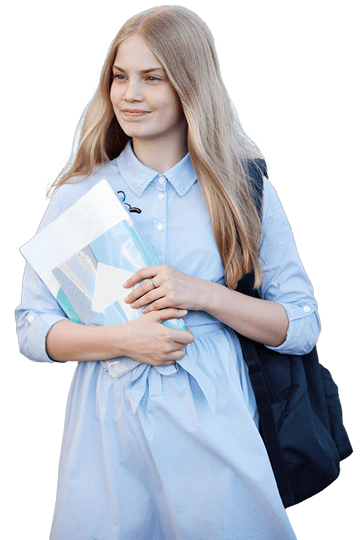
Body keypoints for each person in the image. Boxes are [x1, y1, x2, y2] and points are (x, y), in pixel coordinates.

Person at [15, 5, 321, 539]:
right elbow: (32, 330)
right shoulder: (82, 194)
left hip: (218, 420)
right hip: (108, 425)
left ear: (190, 86)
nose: (129, 94)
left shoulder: (242, 193)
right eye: (119, 76)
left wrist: (203, 294)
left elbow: (301, 326)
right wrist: (123, 339)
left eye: (152, 78)